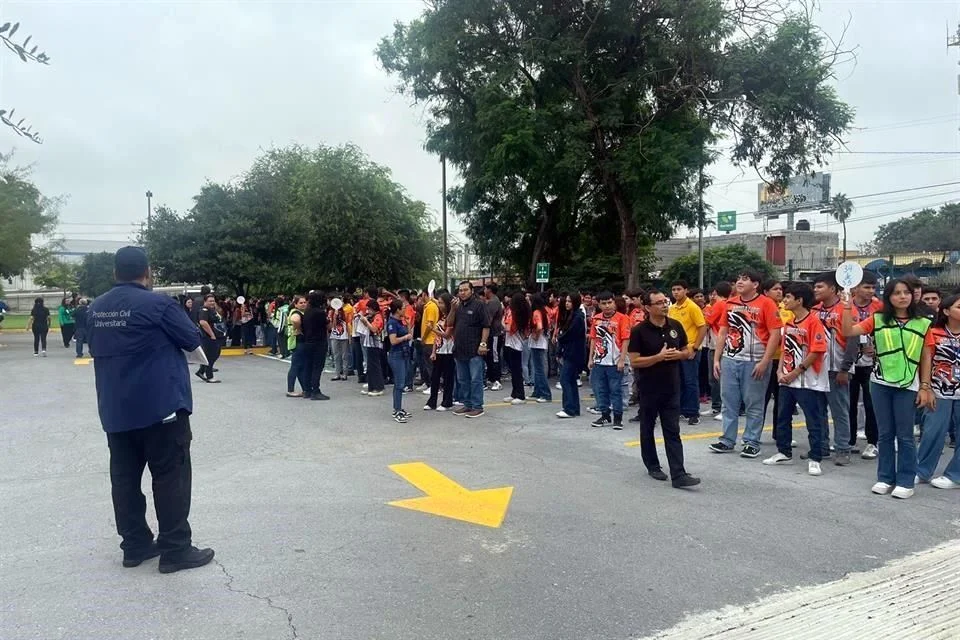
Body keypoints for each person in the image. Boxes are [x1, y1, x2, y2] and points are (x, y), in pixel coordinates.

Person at [87, 246, 213, 573]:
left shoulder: (96, 309)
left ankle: (135, 546)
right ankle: (175, 550)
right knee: (171, 477)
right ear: (147, 272)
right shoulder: (159, 304)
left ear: (115, 273)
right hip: (161, 409)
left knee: (125, 479)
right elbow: (190, 337)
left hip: (116, 410)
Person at [842, 279, 932, 499]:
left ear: (913, 296)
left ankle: (905, 480)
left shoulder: (923, 323)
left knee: (905, 436)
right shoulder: (878, 319)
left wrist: (925, 386)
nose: (902, 296)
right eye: (896, 293)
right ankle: (885, 477)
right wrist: (846, 306)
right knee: (885, 434)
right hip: (880, 384)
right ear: (888, 297)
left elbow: (926, 356)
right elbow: (848, 330)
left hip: (907, 385)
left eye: (906, 292)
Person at [627, 289, 701, 488]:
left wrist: (680, 355)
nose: (664, 305)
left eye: (664, 301)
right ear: (648, 307)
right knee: (647, 427)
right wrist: (657, 358)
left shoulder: (675, 326)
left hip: (672, 386)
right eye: (658, 303)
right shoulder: (639, 331)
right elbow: (634, 361)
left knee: (672, 430)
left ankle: (679, 474)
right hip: (649, 387)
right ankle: (652, 465)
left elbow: (687, 350)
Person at [709, 269, 783, 457]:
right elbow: (723, 332)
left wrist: (765, 361)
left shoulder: (767, 304)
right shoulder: (730, 304)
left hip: (754, 361)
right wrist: (717, 359)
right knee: (729, 403)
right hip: (730, 359)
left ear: (756, 284)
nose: (740, 282)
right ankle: (727, 439)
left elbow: (776, 334)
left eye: (745, 279)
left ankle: (751, 441)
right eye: (739, 279)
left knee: (754, 404)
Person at [761, 283, 830, 476]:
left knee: (813, 420)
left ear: (799, 300)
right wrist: (780, 371)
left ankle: (815, 457)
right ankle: (784, 452)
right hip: (787, 379)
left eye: (788, 297)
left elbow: (817, 351)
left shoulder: (814, 321)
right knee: (782, 416)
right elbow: (785, 347)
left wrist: (796, 371)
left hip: (808, 381)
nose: (784, 300)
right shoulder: (790, 322)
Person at [810, 271, 858, 464]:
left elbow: (853, 340)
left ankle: (843, 449)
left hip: (837, 367)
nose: (816, 290)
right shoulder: (814, 309)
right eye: (815, 287)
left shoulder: (847, 310)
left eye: (820, 286)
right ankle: (821, 447)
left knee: (839, 410)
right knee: (818, 410)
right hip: (817, 368)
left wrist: (845, 368)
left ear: (833, 289)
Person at [916, 293, 960, 487]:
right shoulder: (933, 333)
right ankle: (922, 471)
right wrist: (927, 389)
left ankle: (955, 475)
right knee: (932, 433)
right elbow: (923, 362)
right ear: (946, 311)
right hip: (939, 391)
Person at [848, 270, 882, 460]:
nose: (870, 291)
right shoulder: (845, 306)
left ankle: (872, 442)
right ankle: (849, 440)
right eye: (866, 287)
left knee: (871, 404)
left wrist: (876, 349)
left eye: (873, 288)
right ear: (855, 287)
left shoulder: (880, 307)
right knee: (849, 403)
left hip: (872, 363)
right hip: (850, 362)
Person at [588, 291, 631, 429]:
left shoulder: (622, 318)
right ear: (599, 305)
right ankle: (605, 415)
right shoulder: (596, 318)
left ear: (614, 302)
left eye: (609, 302)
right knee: (600, 390)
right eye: (603, 303)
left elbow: (625, 340)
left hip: (614, 361)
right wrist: (591, 359)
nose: (607, 306)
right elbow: (593, 340)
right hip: (600, 361)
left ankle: (618, 417)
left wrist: (622, 360)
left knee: (615, 390)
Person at [448, 280, 491, 418]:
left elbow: (486, 326)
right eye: (460, 290)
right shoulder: (458, 306)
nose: (462, 292)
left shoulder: (479, 305)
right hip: (460, 349)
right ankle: (467, 404)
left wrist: (483, 344)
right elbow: (449, 323)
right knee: (463, 379)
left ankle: (477, 406)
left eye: (465, 290)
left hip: (474, 349)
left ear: (471, 291)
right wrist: (453, 309)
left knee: (476, 379)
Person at [668, 281, 708, 425]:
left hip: (690, 349)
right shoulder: (672, 308)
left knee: (690, 381)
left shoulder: (692, 307)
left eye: (679, 289)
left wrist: (695, 348)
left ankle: (692, 412)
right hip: (675, 350)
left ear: (686, 290)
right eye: (673, 289)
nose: (676, 292)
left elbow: (702, 327)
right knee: (676, 381)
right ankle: (679, 409)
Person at [701, 282, 731, 421]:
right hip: (716, 343)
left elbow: (707, 320)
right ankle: (717, 406)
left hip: (716, 344)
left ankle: (722, 407)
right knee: (715, 379)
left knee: (717, 378)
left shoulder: (719, 304)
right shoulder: (727, 303)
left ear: (715, 293)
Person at [556, 293, 586, 419]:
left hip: (574, 353)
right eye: (566, 301)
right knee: (571, 380)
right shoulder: (570, 315)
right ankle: (573, 408)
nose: (567, 303)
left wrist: (560, 338)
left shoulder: (578, 317)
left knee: (565, 379)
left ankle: (569, 408)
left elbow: (570, 334)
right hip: (569, 351)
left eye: (570, 301)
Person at [425, 292, 456, 411]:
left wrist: (432, 329)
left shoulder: (452, 317)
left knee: (448, 378)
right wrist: (433, 352)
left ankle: (447, 401)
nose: (440, 304)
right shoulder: (441, 316)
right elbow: (436, 339)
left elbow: (447, 335)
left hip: (449, 352)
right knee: (435, 377)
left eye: (442, 303)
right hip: (439, 351)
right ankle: (432, 401)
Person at [387, 299, 415, 423]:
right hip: (396, 354)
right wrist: (405, 337)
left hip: (404, 353)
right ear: (397, 310)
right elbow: (393, 341)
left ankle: (399, 408)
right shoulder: (392, 323)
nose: (405, 310)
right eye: (403, 308)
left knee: (402, 382)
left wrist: (409, 326)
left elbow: (410, 336)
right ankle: (397, 409)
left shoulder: (400, 322)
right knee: (399, 383)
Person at [503, 292, 531, 406]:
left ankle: (520, 395)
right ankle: (514, 393)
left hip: (515, 344)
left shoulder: (516, 315)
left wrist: (501, 322)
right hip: (512, 343)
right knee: (514, 371)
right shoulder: (518, 313)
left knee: (516, 370)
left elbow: (509, 328)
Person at [302, 290, 330, 401]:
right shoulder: (320, 313)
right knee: (317, 367)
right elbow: (329, 327)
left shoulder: (307, 311)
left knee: (308, 366)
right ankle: (316, 391)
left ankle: (307, 390)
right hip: (319, 342)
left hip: (308, 341)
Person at [528, 294, 552, 403]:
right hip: (541, 342)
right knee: (537, 368)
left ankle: (545, 394)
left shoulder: (536, 312)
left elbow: (539, 327)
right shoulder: (544, 311)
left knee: (539, 369)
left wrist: (535, 336)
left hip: (538, 343)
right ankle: (537, 391)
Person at [195, 294, 223, 383]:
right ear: (205, 301)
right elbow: (203, 322)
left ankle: (201, 371)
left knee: (214, 354)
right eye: (210, 301)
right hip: (208, 337)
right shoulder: (204, 310)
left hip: (217, 336)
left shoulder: (212, 310)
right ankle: (209, 376)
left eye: (213, 301)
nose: (212, 302)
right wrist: (212, 335)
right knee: (211, 356)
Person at [360, 300, 385, 397]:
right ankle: (371, 386)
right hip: (370, 343)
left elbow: (374, 329)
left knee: (375, 366)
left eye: (369, 309)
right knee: (370, 366)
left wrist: (366, 321)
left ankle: (379, 387)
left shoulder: (378, 317)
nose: (368, 311)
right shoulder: (371, 317)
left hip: (375, 344)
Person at [285, 295, 309, 397]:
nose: (303, 304)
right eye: (301, 303)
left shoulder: (301, 312)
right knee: (295, 366)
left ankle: (305, 389)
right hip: (297, 342)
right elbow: (295, 320)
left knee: (300, 367)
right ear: (295, 304)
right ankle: (290, 390)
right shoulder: (295, 312)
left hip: (299, 342)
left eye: (304, 302)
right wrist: (297, 328)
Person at [484, 283, 504, 391]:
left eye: (485, 289)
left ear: (489, 290)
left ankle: (497, 380)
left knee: (495, 356)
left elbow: (488, 319)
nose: (484, 291)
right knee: (490, 355)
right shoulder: (493, 301)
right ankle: (492, 378)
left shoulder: (493, 302)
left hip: (495, 333)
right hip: (492, 333)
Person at [420, 289, 441, 393]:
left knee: (431, 366)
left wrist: (423, 338)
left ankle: (434, 387)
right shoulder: (429, 306)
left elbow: (430, 325)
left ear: (424, 294)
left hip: (430, 340)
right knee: (429, 365)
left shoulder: (431, 306)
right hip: (429, 340)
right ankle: (432, 385)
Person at [329, 301, 350, 381]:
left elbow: (348, 323)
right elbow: (333, 326)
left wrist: (349, 336)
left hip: (344, 336)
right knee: (336, 355)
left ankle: (345, 373)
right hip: (334, 336)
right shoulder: (331, 313)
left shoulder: (345, 312)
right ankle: (337, 373)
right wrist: (335, 315)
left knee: (344, 355)